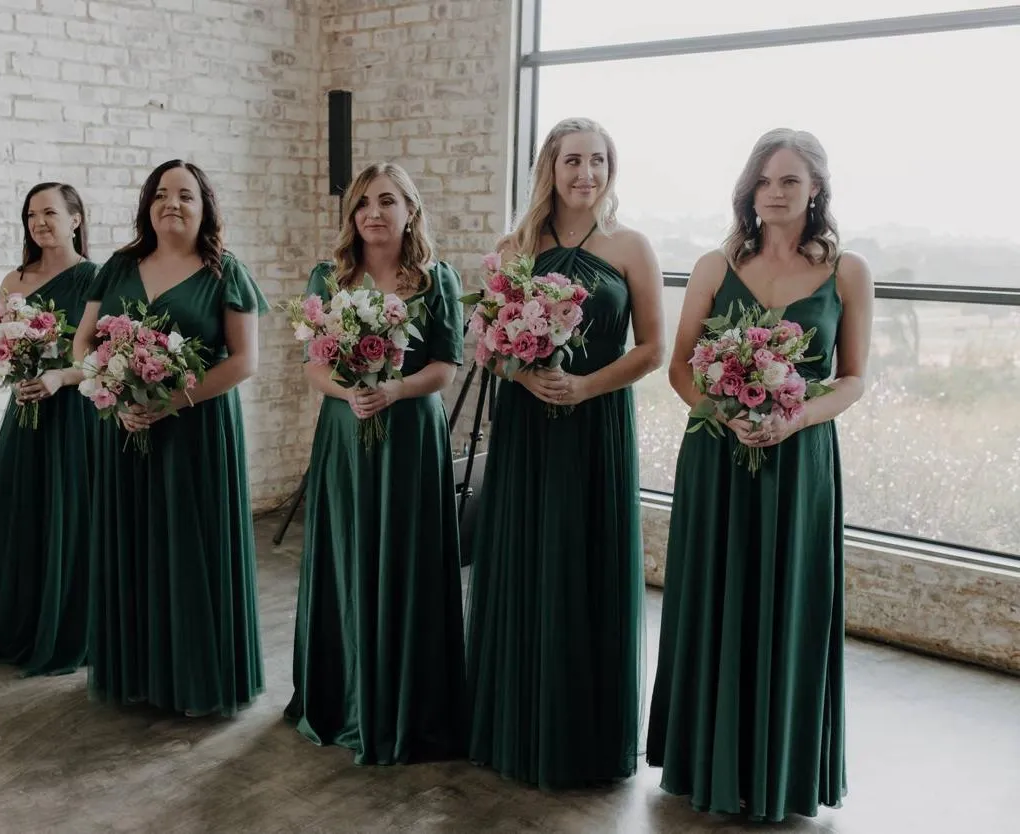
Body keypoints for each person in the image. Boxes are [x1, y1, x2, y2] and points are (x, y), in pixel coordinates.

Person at [646, 128, 874, 821]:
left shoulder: (848, 272)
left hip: (800, 462)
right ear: (748, 191)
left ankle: (782, 769)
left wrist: (795, 417)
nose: (774, 194)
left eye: (790, 182)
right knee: (717, 595)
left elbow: (855, 379)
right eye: (763, 182)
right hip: (719, 454)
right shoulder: (717, 266)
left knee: (790, 601)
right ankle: (708, 763)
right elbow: (681, 366)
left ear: (816, 191)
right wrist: (725, 413)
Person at [465, 117, 666, 788]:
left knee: (586, 563)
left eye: (599, 161)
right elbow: (483, 343)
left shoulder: (631, 247)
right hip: (527, 427)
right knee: (526, 558)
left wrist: (583, 386)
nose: (586, 173)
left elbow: (652, 351)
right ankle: (515, 723)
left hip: (597, 423)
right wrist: (524, 374)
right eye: (573, 160)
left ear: (612, 171)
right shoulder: (514, 246)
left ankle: (585, 735)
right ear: (549, 168)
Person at [284, 162, 468, 764]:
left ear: (410, 210)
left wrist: (395, 390)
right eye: (362, 204)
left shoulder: (436, 279)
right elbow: (314, 365)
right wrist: (351, 393)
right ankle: (345, 697)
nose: (373, 213)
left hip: (411, 433)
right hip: (346, 429)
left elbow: (444, 365)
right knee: (349, 552)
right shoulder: (327, 277)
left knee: (407, 556)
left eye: (387, 201)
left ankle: (411, 703)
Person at [73, 160, 267, 716]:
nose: (171, 204)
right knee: (132, 542)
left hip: (197, 432)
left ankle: (196, 678)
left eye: (185, 194)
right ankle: (139, 674)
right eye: (160, 194)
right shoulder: (117, 266)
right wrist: (115, 388)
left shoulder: (225, 271)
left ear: (205, 206)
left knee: (190, 547)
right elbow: (81, 344)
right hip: (124, 427)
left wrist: (169, 401)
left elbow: (245, 360)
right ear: (146, 205)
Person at [0, 182, 97, 677]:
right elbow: (0, 344)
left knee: (65, 521)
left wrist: (61, 377)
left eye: (50, 212)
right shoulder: (15, 279)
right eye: (31, 214)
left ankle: (65, 629)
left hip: (74, 414)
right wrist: (14, 371)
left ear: (76, 219)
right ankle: (1, 624)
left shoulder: (94, 278)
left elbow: (100, 358)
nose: (39, 222)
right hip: (27, 410)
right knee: (4, 513)